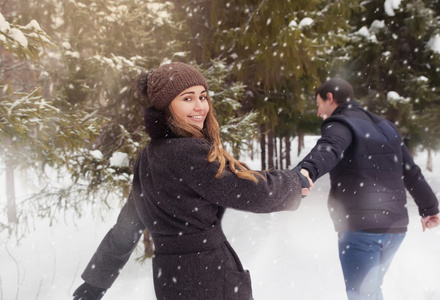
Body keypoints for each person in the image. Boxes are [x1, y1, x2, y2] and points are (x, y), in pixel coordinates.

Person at [72, 62, 311, 300]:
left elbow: (128, 224)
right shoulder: (187, 152)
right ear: (167, 107)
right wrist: (294, 182)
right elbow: (247, 190)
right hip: (208, 276)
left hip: (171, 278)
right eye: (187, 98)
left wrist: (96, 282)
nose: (200, 107)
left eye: (203, 97)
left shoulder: (149, 154)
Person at [296, 77, 440, 299]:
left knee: (362, 295)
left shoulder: (341, 123)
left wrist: (306, 170)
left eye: (319, 105)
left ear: (330, 98)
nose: (319, 113)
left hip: (361, 230)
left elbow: (330, 147)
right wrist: (429, 207)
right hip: (395, 229)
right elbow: (410, 171)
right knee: (370, 291)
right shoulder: (385, 126)